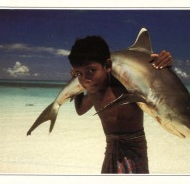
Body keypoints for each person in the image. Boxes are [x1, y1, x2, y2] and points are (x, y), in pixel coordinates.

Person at [68, 36, 173, 174]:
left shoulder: (125, 85)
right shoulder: (93, 92)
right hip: (111, 146)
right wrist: (76, 85)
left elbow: (152, 80)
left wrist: (163, 64)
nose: (86, 79)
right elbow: (80, 110)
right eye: (79, 73)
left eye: (91, 70)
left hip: (134, 145)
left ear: (107, 66)